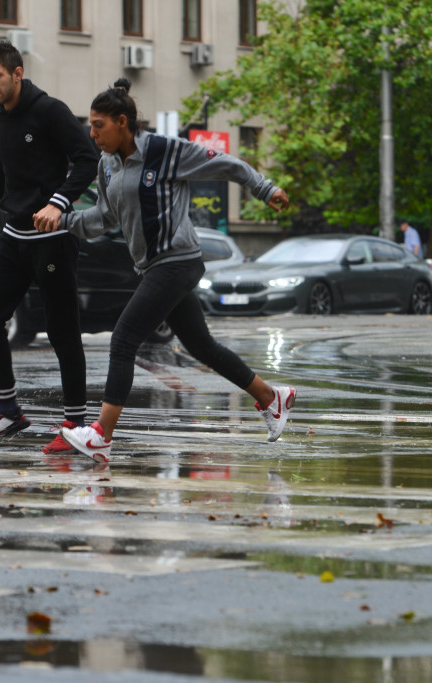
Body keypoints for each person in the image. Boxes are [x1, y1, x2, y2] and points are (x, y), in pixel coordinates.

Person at [44, 78, 294, 462]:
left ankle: (101, 434)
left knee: (123, 340)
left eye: (98, 125)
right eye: (90, 126)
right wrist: (62, 221)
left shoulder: (165, 151)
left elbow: (226, 164)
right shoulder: (107, 166)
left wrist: (264, 189)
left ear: (122, 122)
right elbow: (104, 218)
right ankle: (271, 397)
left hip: (178, 261)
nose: (92, 134)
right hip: (152, 267)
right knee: (201, 346)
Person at [0, 40, 100, 453]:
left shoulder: (49, 111)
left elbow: (87, 159)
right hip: (14, 236)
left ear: (17, 73)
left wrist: (58, 203)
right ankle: (8, 411)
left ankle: (75, 424)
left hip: (52, 240)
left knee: (61, 331)